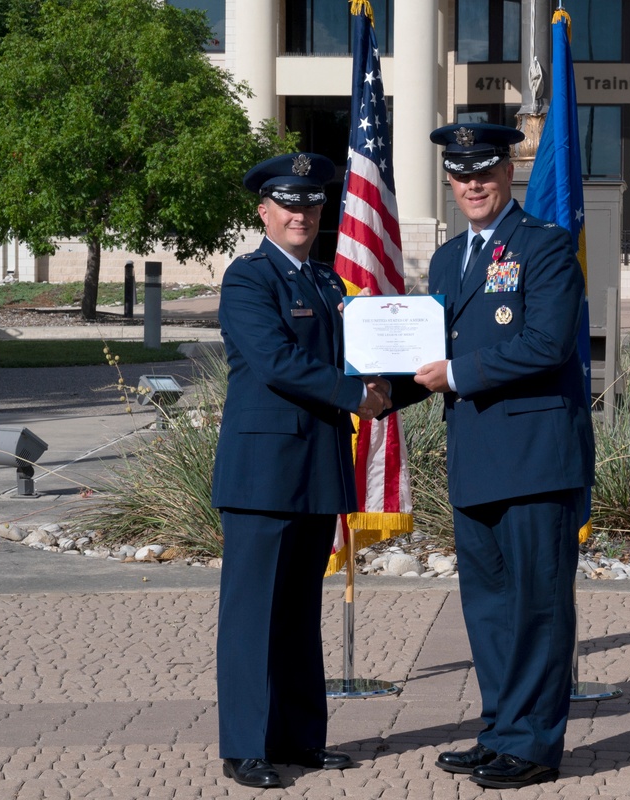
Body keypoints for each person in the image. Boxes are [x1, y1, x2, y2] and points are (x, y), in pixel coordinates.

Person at [404, 123, 595, 789]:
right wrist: (371, 390)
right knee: (488, 608)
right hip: (477, 457)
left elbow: (547, 344)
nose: (473, 183)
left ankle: (534, 746)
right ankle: (500, 730)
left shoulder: (544, 247)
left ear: (508, 171)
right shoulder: (447, 259)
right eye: (460, 174)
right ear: (449, 181)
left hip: (536, 458)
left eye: (484, 170)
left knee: (537, 607)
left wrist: (455, 374)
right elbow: (425, 359)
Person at [210, 152, 390, 789]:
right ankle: (246, 746)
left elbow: (365, 356)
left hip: (315, 467)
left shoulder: (327, 283)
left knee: (296, 612)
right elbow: (276, 361)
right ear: (264, 211)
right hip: (261, 474)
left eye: (312, 204)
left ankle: (299, 739)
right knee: (253, 613)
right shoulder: (247, 279)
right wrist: (354, 394)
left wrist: (409, 375)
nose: (302, 215)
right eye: (289, 204)